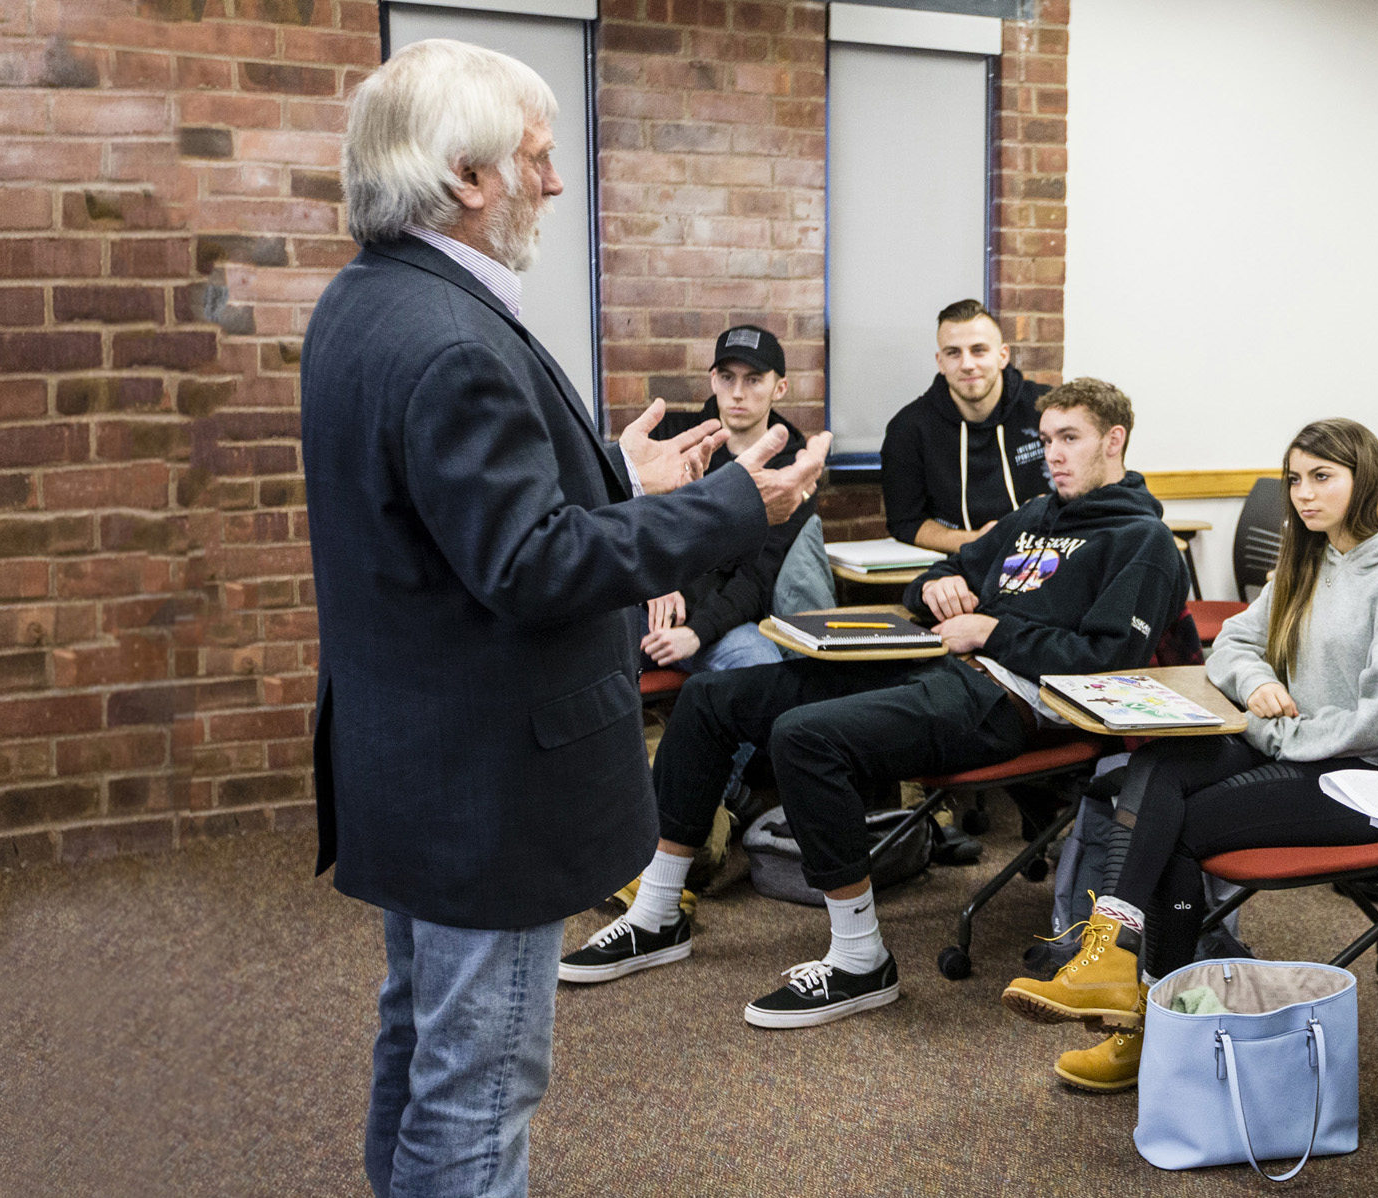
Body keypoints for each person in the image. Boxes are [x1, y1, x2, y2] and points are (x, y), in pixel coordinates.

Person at [302, 41, 827, 1198]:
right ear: (467, 176)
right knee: (478, 1091)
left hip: (413, 758)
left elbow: (453, 527)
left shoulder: (368, 301)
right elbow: (529, 565)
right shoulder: (451, 339)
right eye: (538, 159)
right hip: (486, 782)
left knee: (421, 1038)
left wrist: (614, 483)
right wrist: (729, 502)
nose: (553, 183)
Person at [558, 378, 1188, 1029]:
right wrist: (940, 591)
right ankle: (658, 913)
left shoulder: (1142, 542)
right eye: (1047, 439)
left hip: (1005, 702)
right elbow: (938, 579)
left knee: (805, 738)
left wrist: (997, 632)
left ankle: (862, 961)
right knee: (713, 697)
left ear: (1113, 441)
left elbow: (1111, 660)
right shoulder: (1033, 519)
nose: (1052, 454)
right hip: (935, 663)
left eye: (1070, 439)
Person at [1001, 418, 1378, 1093]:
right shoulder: (1309, 559)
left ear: (1365, 479)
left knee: (1176, 823)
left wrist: (1271, 729)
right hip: (1294, 744)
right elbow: (1232, 648)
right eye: (1296, 479)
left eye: (1322, 478)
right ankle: (1112, 960)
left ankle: (1149, 1024)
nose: (1303, 495)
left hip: (1363, 779)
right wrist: (1263, 685)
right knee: (1158, 764)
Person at [641, 325, 828, 673]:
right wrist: (653, 585)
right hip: (648, 607)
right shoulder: (674, 437)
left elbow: (759, 576)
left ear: (780, 388)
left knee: (758, 669)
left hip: (722, 621)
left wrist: (697, 632)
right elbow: (636, 525)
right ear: (713, 380)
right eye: (727, 378)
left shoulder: (793, 467)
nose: (737, 393)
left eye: (754, 380)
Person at [880, 299, 1052, 554]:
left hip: (1048, 554)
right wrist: (976, 541)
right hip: (957, 563)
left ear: (1003, 355)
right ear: (940, 362)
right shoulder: (908, 429)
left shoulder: (1047, 411)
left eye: (979, 350)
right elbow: (906, 522)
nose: (967, 364)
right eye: (953, 353)